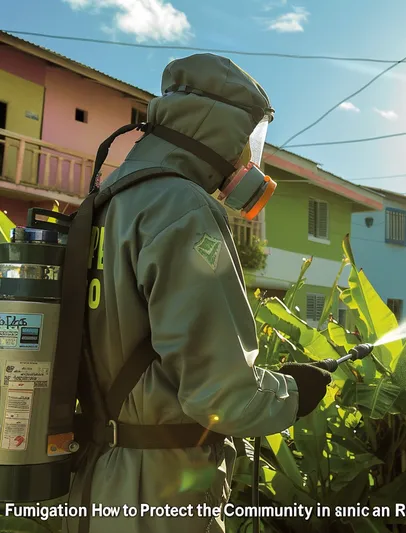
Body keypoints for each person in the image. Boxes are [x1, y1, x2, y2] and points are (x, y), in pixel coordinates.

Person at [65, 54, 332, 533]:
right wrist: (293, 393)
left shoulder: (109, 199)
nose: (247, 158)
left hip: (97, 480)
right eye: (247, 139)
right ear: (218, 130)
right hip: (160, 490)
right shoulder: (180, 206)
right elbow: (224, 396)